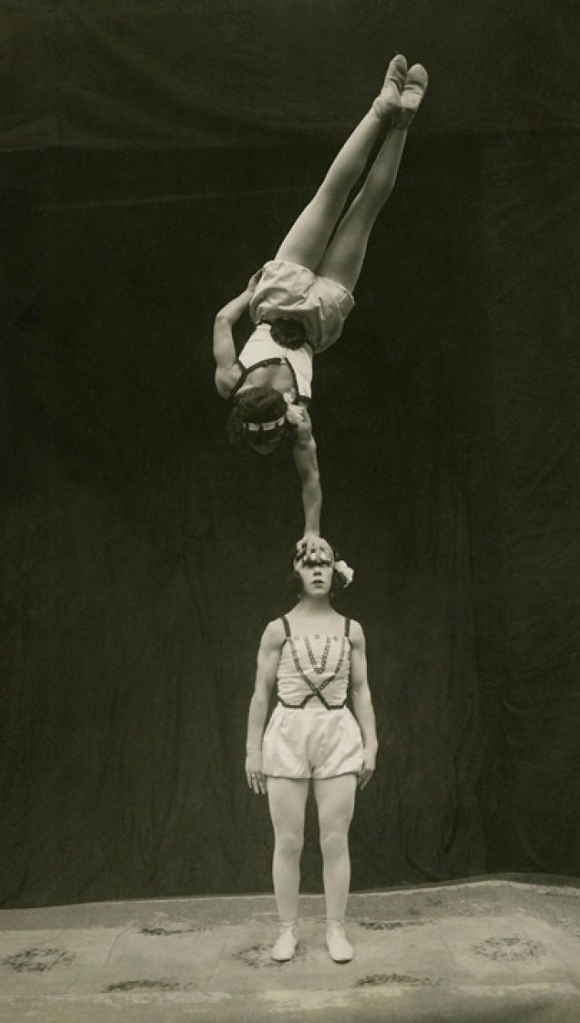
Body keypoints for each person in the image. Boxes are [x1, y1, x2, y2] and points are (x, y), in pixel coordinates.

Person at [213, 56, 428, 555]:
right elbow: (310, 484)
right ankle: (399, 116)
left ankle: (387, 109)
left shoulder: (249, 391)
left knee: (341, 200)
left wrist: (250, 293)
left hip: (293, 300)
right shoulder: (289, 420)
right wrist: (311, 530)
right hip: (307, 308)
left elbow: (223, 319)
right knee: (355, 206)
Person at [245, 541, 378, 963]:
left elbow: (360, 690)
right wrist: (252, 751)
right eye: (308, 563)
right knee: (287, 840)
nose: (317, 570)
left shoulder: (351, 630)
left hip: (337, 733)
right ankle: (287, 930)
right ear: (296, 573)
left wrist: (372, 743)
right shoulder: (276, 629)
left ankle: (335, 929)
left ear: (335, 573)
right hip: (287, 734)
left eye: (324, 564)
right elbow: (260, 696)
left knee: (335, 838)